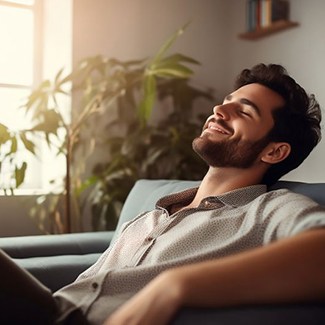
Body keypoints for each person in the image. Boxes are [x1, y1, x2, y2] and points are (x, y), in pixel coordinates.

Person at [1, 63, 324, 325]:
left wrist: (178, 285)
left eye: (244, 110)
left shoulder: (269, 209)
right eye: (226, 100)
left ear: (274, 151)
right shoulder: (152, 216)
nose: (219, 108)